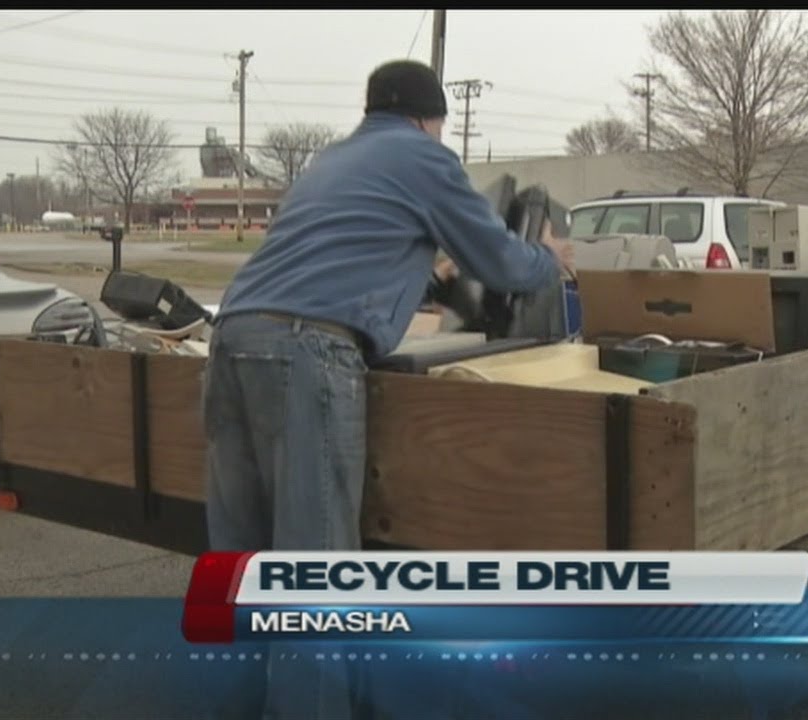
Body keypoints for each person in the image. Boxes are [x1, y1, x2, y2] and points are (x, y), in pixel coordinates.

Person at [201, 59, 573, 718]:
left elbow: (341, 254)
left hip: (230, 341)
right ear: (431, 119)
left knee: (243, 567)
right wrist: (551, 259)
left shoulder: (334, 161)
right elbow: (506, 264)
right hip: (304, 354)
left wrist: (426, 272)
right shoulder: (427, 160)